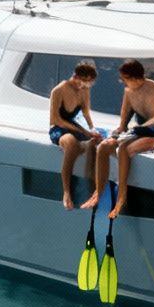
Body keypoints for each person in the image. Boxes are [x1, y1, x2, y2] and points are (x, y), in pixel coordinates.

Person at [86, 59, 154, 218]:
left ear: (133, 77)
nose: (123, 82)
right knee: (104, 147)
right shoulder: (129, 92)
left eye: (124, 79)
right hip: (136, 132)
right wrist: (115, 135)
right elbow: (123, 124)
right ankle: (98, 191)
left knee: (125, 150)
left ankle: (121, 196)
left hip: (153, 134)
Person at [48, 62, 102, 209]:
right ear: (76, 76)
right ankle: (66, 192)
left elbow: (86, 112)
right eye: (83, 83)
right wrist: (83, 132)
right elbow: (55, 119)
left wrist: (92, 129)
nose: (84, 87)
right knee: (71, 143)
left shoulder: (84, 90)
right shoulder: (59, 90)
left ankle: (95, 191)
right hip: (59, 127)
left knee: (96, 143)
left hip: (75, 126)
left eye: (88, 84)